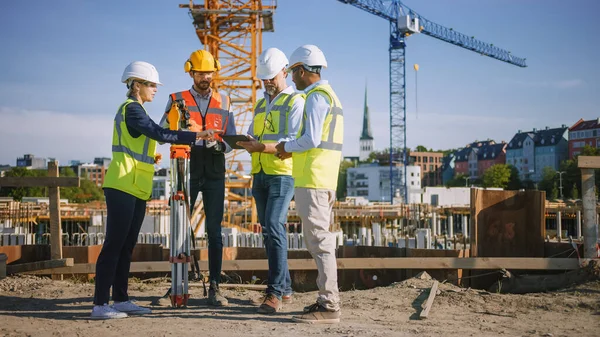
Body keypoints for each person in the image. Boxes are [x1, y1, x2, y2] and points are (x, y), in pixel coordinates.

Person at [91, 61, 218, 320]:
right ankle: (100, 304)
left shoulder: (139, 110)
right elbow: (159, 133)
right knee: (113, 246)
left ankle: (122, 299)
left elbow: (148, 139)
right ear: (136, 85)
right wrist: (197, 136)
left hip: (136, 187)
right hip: (122, 185)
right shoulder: (132, 110)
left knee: (126, 247)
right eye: (151, 84)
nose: (155, 89)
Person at [161, 50, 237, 306]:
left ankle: (215, 287)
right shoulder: (176, 99)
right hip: (187, 168)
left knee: (215, 232)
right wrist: (188, 134)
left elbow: (232, 140)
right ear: (190, 72)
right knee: (181, 228)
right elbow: (163, 133)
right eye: (201, 73)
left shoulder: (225, 102)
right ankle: (175, 287)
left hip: (215, 170)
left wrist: (218, 143)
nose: (206, 77)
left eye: (210, 72)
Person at [275, 45, 344, 324]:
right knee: (320, 239)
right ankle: (327, 300)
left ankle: (329, 305)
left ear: (302, 70)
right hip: (321, 178)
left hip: (314, 179)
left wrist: (286, 147)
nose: (292, 78)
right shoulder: (330, 95)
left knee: (319, 240)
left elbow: (311, 139)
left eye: (293, 72)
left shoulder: (316, 97)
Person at [236, 48, 305, 314]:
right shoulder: (261, 104)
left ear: (284, 72)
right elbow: (254, 134)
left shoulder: (295, 102)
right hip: (260, 174)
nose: (267, 82)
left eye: (272, 77)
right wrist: (239, 142)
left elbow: (291, 140)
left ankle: (274, 293)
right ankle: (285, 289)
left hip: (282, 174)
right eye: (263, 78)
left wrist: (259, 147)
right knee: (268, 231)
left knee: (275, 226)